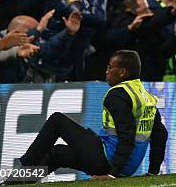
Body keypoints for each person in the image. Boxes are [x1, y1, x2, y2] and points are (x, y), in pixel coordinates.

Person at [17, 50, 167, 180]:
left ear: (122, 72)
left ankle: (23, 165)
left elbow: (127, 135)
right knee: (58, 153)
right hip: (126, 167)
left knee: (57, 120)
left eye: (110, 67)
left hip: (108, 161)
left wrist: (113, 173)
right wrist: (153, 171)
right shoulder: (146, 97)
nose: (106, 70)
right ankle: (17, 182)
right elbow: (161, 135)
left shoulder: (118, 94)